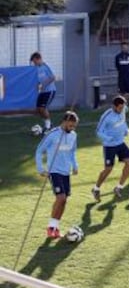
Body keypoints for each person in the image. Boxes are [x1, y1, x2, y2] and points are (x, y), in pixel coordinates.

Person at [35, 111, 79, 239]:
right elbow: (39, 151)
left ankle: (55, 227)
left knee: (63, 201)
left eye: (74, 126)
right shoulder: (52, 134)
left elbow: (72, 152)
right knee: (61, 198)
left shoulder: (73, 135)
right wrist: (40, 168)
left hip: (66, 172)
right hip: (54, 171)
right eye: (70, 126)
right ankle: (50, 228)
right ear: (64, 122)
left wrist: (75, 166)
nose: (72, 128)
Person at [92, 95, 129, 202]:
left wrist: (126, 129)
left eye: (123, 107)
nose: (121, 109)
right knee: (108, 169)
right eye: (119, 108)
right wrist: (108, 138)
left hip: (120, 143)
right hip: (109, 146)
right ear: (114, 106)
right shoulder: (106, 116)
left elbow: (123, 120)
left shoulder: (123, 110)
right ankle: (96, 188)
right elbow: (98, 131)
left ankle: (118, 187)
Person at [31, 52, 56, 133]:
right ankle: (48, 124)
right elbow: (38, 80)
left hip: (50, 91)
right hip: (42, 92)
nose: (34, 63)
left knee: (43, 108)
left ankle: (48, 127)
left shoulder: (46, 67)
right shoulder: (37, 69)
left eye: (35, 61)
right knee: (38, 109)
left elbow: (52, 77)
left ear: (39, 59)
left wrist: (43, 85)